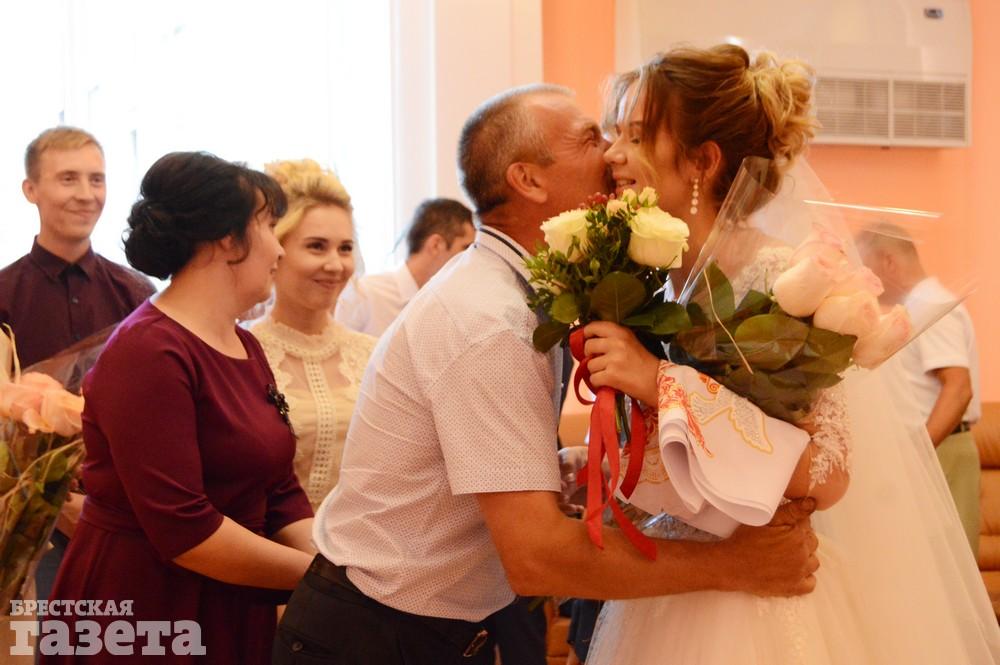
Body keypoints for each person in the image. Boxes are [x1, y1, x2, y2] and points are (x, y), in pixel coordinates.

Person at [273, 83, 819, 665]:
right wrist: (735, 564)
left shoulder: (511, 291)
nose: (611, 152)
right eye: (589, 138)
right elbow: (537, 557)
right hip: (373, 637)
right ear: (528, 180)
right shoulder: (490, 321)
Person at [582, 44, 1000, 664]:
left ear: (703, 160)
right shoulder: (646, 285)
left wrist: (661, 383)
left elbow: (828, 473)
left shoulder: (782, 278)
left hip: (762, 600)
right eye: (614, 133)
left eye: (637, 135)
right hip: (674, 577)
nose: (613, 154)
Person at [41, 152, 315, 664]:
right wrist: (326, 580)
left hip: (232, 594)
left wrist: (335, 561)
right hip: (147, 607)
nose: (280, 249)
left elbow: (279, 491)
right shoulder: (149, 350)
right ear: (226, 240)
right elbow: (184, 528)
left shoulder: (244, 344)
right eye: (269, 226)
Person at [0, 126, 155, 603]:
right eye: (68, 178)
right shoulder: (3, 296)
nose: (86, 194)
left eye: (96, 179)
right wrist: (53, 501)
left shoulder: (138, 294)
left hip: (129, 513)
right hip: (25, 524)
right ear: (31, 189)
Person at [251, 159, 377, 509]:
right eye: (317, 246)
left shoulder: (373, 355)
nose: (335, 265)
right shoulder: (243, 354)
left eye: (345, 248)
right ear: (276, 250)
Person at [858, 227, 982, 553]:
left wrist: (917, 455)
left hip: (941, 448)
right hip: (936, 447)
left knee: (946, 559)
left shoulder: (930, 306)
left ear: (888, 261)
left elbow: (958, 387)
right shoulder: (920, 305)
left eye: (865, 266)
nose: (862, 279)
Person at [334, 197, 476, 336]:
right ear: (436, 245)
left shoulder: (448, 305)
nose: (472, 257)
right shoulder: (364, 293)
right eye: (466, 248)